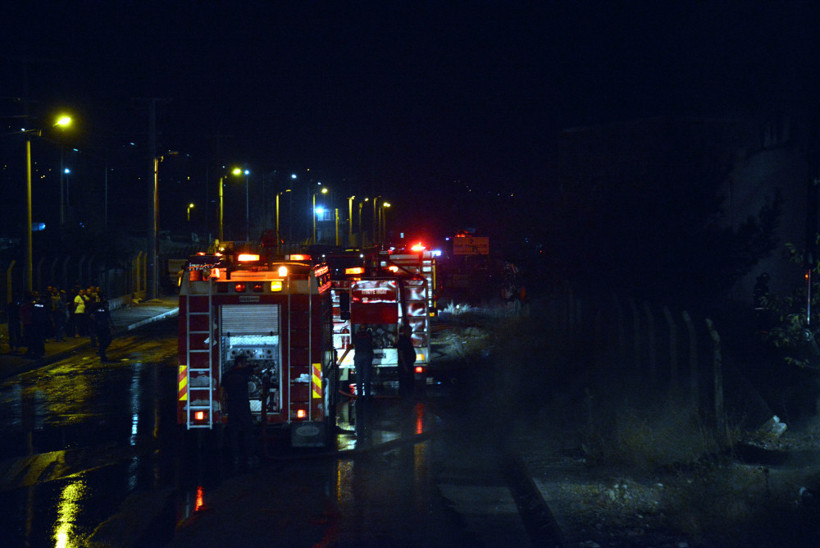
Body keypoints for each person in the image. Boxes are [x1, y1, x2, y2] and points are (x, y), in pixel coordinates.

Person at [221, 354, 255, 469]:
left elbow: (222, 392)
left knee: (233, 433)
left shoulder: (226, 375)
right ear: (240, 363)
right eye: (244, 362)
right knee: (248, 431)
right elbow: (254, 370)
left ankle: (236, 458)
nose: (246, 364)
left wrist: (223, 406)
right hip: (243, 407)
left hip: (232, 407)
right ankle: (249, 457)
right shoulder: (244, 372)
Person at [353, 327, 374, 399]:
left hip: (358, 356)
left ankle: (359, 396)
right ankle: (367, 395)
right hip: (367, 356)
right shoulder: (368, 335)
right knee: (366, 376)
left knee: (359, 376)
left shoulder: (356, 335)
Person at [397, 326, 416, 400]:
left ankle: (407, 396)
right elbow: (401, 353)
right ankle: (405, 396)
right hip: (405, 364)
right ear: (405, 331)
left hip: (408, 363)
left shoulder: (407, 340)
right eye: (409, 331)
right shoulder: (403, 340)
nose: (411, 333)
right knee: (405, 381)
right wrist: (404, 365)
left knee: (408, 381)